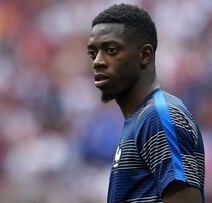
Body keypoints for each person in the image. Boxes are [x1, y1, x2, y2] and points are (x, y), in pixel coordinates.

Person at [87, 4, 205, 203]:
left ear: (145, 55)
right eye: (93, 53)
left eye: (111, 50)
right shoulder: (140, 120)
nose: (97, 61)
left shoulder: (159, 116)